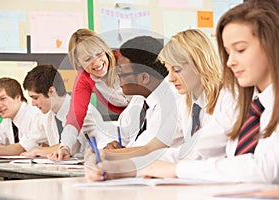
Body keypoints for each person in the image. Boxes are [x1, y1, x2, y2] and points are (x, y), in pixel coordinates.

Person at [88, 0, 279, 183]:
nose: (230, 62)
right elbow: (192, 151)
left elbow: (265, 169)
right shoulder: (253, 104)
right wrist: (126, 166)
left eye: (241, 49)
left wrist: (170, 170)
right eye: (228, 53)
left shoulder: (232, 99)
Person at [84, 29, 239, 181]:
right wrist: (109, 157)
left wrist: (126, 166)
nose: (170, 79)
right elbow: (154, 148)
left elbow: (196, 152)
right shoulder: (187, 104)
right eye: (169, 70)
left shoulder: (227, 98)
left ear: (198, 65)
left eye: (177, 70)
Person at [48, 28, 131, 160]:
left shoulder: (124, 60)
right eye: (87, 59)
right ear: (78, 63)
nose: (97, 62)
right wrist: (65, 147)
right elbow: (75, 116)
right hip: (131, 123)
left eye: (99, 54)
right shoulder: (84, 78)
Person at [102, 36, 181, 159]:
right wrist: (117, 148)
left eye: (121, 73)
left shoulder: (172, 101)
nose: (118, 78)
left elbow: (149, 150)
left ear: (144, 78)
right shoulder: (141, 100)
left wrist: (112, 155)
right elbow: (131, 140)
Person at [0, 77, 43, 156]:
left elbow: (23, 148)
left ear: (18, 97)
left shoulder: (36, 115)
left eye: (2, 99)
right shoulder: (7, 120)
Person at [21, 64, 73, 157]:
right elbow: (28, 143)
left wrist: (38, 151)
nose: (33, 104)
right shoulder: (46, 114)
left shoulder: (81, 110)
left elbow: (72, 145)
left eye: (35, 98)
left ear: (51, 91)